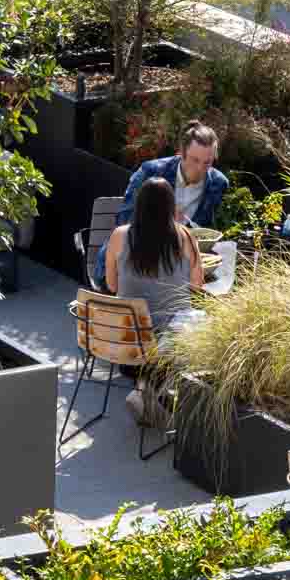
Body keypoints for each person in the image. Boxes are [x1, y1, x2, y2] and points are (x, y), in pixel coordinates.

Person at [102, 173, 204, 426]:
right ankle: (155, 389)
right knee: (201, 321)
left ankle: (144, 388)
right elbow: (197, 286)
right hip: (170, 345)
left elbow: (111, 285)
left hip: (126, 341)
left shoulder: (119, 236)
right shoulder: (186, 237)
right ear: (171, 207)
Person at [117, 121, 230, 235]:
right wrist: (161, 220)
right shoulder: (151, 172)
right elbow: (124, 219)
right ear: (181, 153)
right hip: (141, 244)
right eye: (195, 160)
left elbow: (215, 230)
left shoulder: (218, 184)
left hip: (188, 250)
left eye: (207, 162)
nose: (200, 168)